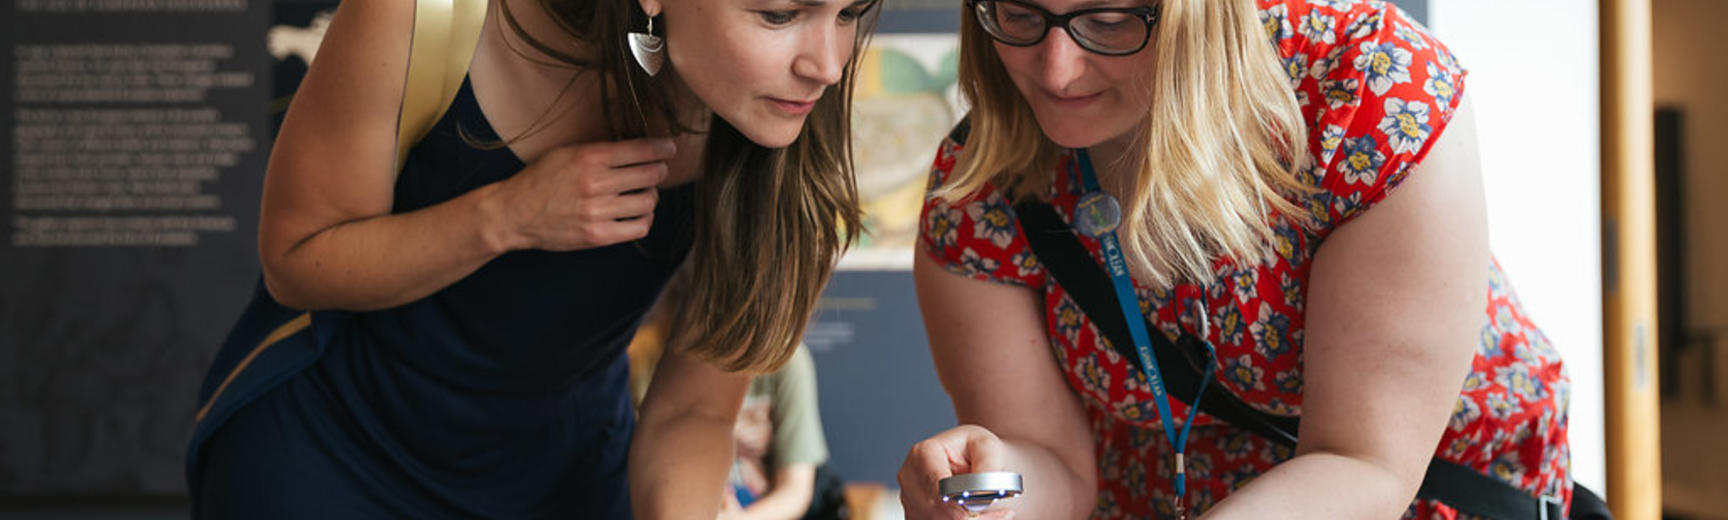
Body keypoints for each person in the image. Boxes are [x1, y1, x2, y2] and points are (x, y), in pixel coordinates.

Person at [187, 0, 879, 517]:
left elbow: (692, 415)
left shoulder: (791, 118)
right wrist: (506, 215)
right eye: (779, 12)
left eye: (852, 11)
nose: (827, 62)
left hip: (564, 474)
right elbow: (297, 258)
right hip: (332, 452)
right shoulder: (424, 14)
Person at [898, 0, 1572, 519]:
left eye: (1107, 21)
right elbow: (1058, 470)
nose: (1055, 70)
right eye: (1018, 13)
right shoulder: (981, 186)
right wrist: (994, 484)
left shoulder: (1366, 94)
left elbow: (1364, 464)